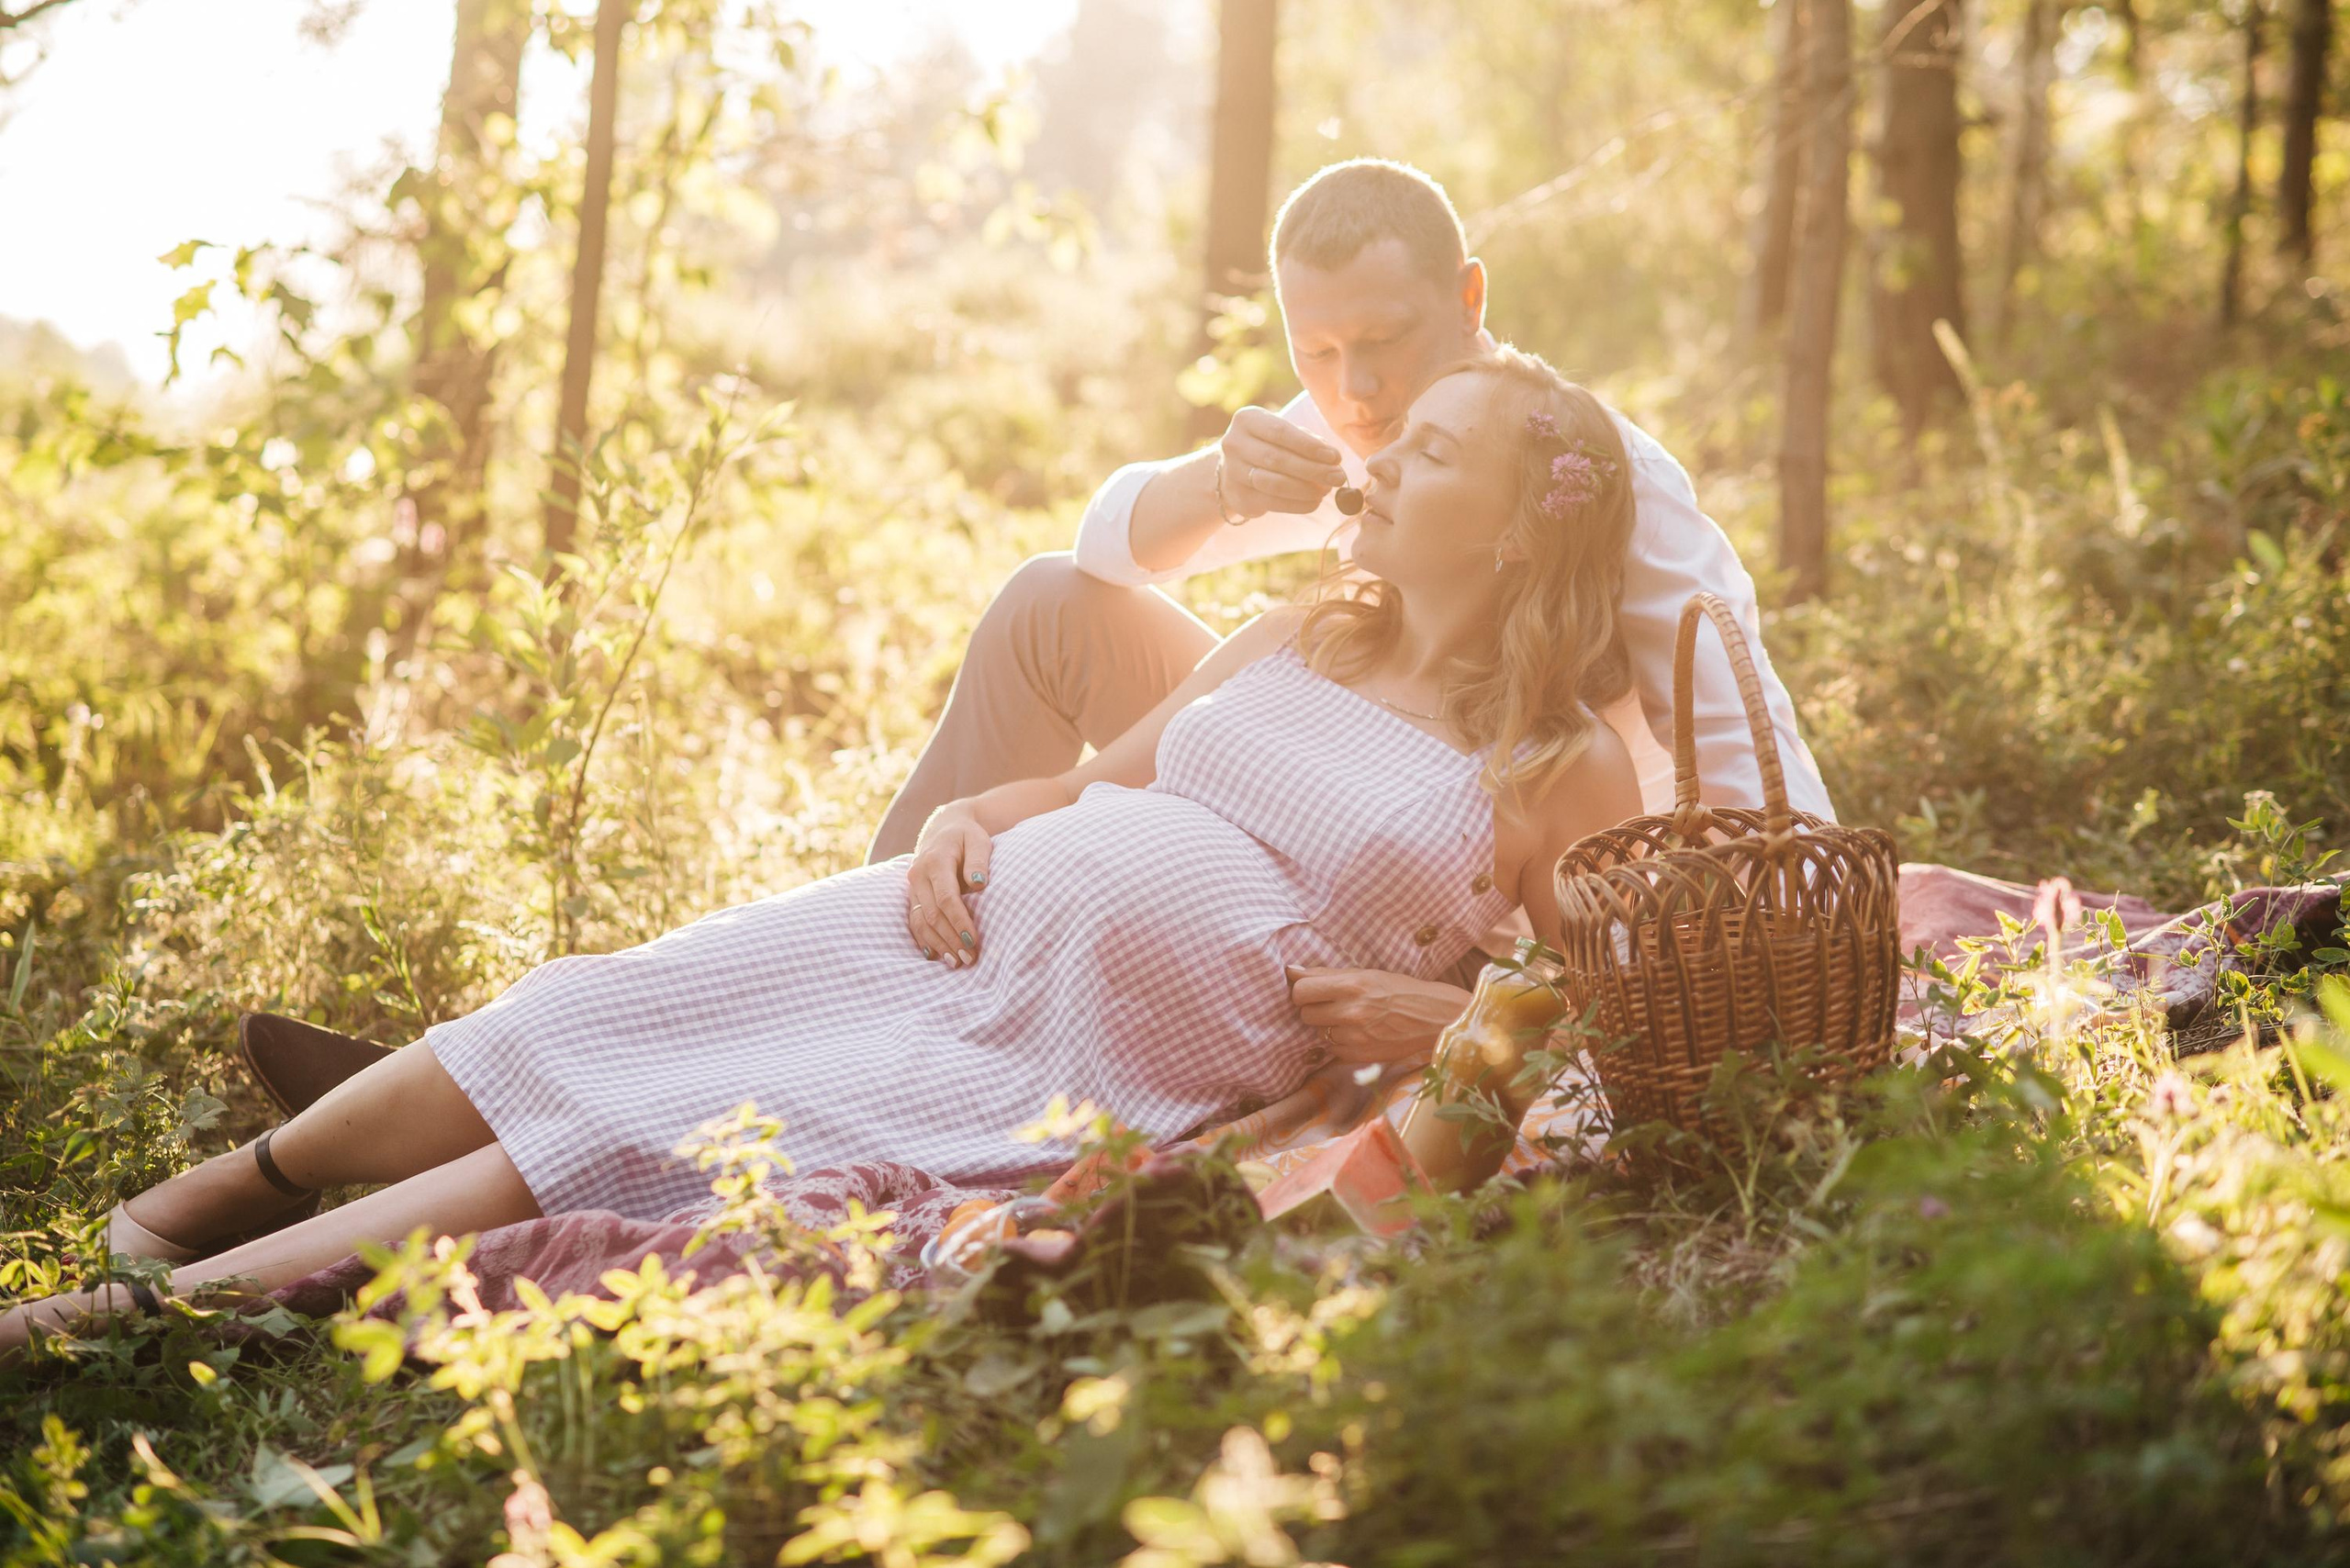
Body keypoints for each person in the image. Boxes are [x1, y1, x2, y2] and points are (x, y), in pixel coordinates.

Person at [1, 346, 1645, 1358]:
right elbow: (1105, 782)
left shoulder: (1557, 760)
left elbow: (1624, 1016)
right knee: (608, 1007)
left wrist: (1441, 1028)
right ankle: (204, 1196)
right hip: (958, 929)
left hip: (1096, 1046)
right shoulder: (1300, 627)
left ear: (1513, 529)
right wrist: (956, 820)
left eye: (1429, 450)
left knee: (640, 1130)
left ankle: (122, 1321)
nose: (1376, 456)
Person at [862, 158, 1830, 1067]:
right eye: (1314, 351)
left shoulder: (1589, 477)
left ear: (1468, 299)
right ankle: (894, 919)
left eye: (1379, 341)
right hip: (1319, 784)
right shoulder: (1356, 409)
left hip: (1459, 873)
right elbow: (1104, 544)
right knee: (1051, 602)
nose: (1353, 392)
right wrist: (1219, 483)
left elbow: (1756, 770)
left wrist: (1623, 988)